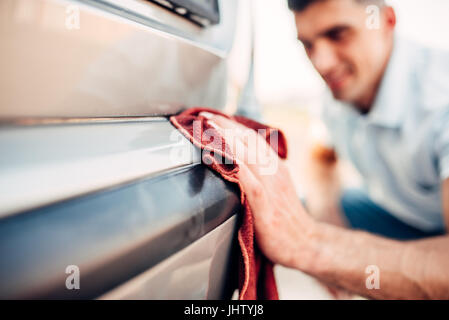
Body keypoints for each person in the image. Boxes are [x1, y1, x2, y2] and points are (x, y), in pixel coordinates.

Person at [200, 0, 449, 299]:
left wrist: (314, 246)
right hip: (399, 215)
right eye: (308, 44)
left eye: (338, 34)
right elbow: (322, 156)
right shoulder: (338, 96)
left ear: (387, 21)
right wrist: (328, 222)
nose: (322, 63)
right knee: (292, 210)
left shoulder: (440, 97)